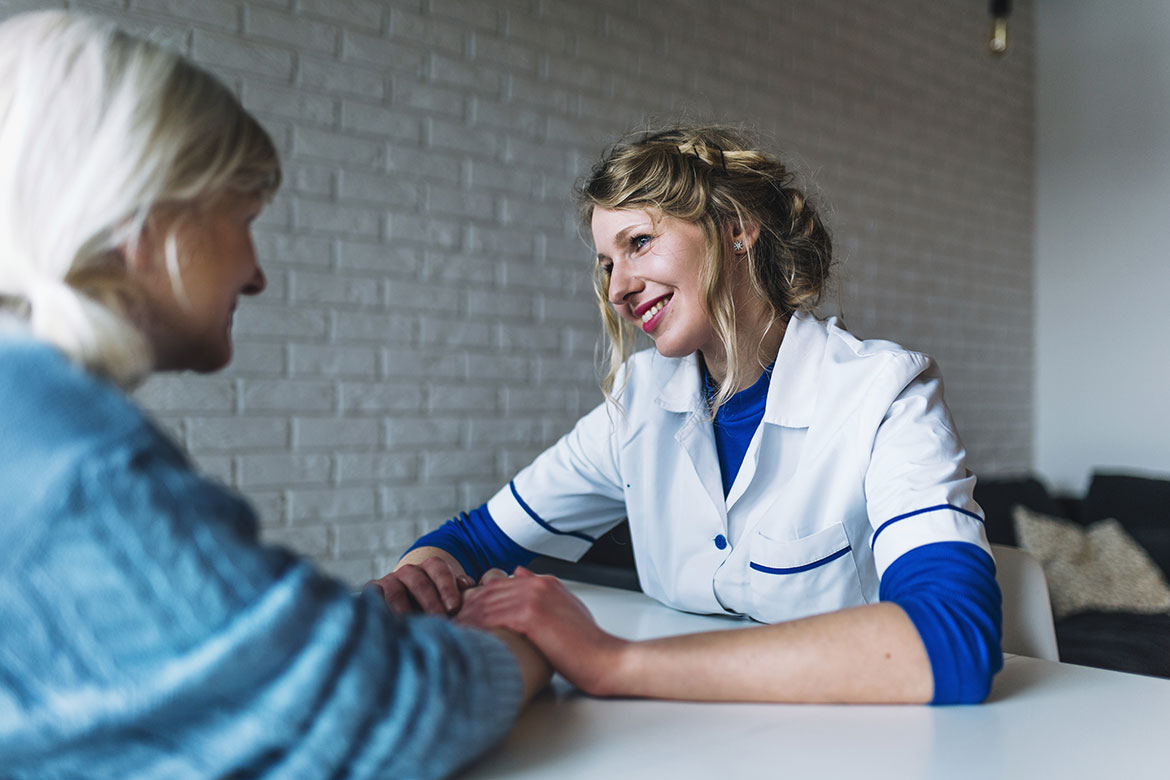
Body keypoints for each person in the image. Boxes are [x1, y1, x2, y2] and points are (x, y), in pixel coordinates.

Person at [0, 11, 547, 779]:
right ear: (147, 221)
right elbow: (373, 714)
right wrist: (525, 644)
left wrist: (321, 628)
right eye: (244, 219)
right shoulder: (67, 460)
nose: (257, 273)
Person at [372, 125, 1003, 705]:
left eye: (639, 243)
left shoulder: (883, 393)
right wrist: (414, 582)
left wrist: (614, 662)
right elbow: (474, 540)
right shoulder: (638, 402)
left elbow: (952, 642)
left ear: (734, 228)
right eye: (607, 264)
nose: (618, 288)